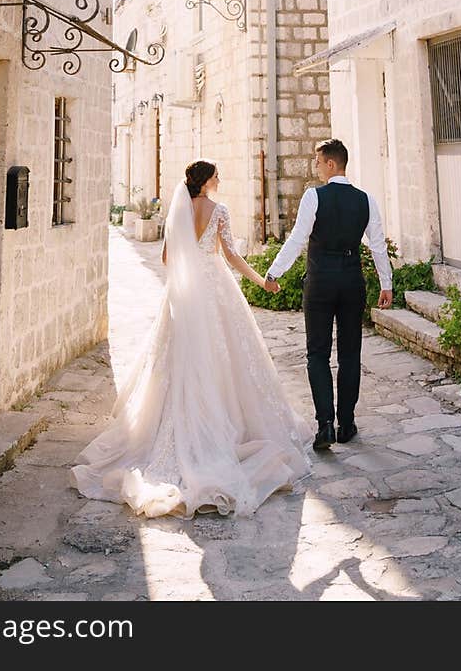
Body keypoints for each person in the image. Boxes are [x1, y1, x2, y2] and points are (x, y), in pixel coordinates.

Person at [72, 160, 311, 518]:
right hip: (215, 289)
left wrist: (187, 281)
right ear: (206, 181)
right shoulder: (219, 211)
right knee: (227, 358)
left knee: (178, 359)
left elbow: (169, 257)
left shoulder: (179, 212)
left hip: (185, 294)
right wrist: (262, 281)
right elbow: (229, 255)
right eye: (216, 175)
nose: (220, 179)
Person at [264, 138, 393, 451]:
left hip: (321, 281)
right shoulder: (366, 200)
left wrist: (274, 272)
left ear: (332, 164)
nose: (316, 166)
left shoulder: (314, 197)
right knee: (350, 353)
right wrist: (386, 283)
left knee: (317, 353)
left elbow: (297, 239)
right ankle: (346, 423)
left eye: (318, 161)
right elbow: (377, 245)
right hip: (352, 281)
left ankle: (325, 425)